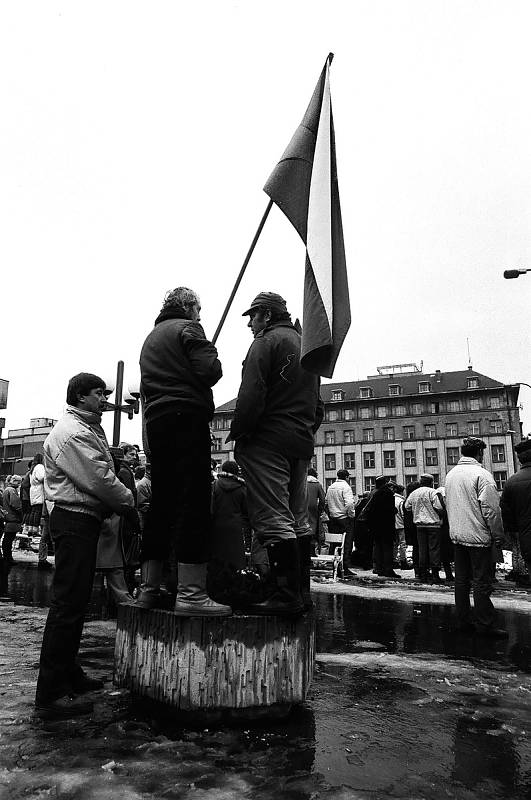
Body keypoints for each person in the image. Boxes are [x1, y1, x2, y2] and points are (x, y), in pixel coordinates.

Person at [35, 372, 138, 719]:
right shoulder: (74, 433)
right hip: (74, 517)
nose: (103, 399)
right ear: (80, 396)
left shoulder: (86, 426)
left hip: (82, 518)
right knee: (67, 604)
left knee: (76, 601)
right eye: (98, 394)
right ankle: (51, 691)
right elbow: (99, 478)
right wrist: (129, 500)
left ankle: (68, 672)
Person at [137, 286, 230, 616]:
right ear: (187, 306)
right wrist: (210, 352)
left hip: (158, 422)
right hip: (187, 417)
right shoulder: (189, 329)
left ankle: (148, 589)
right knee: (193, 501)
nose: (201, 314)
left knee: (162, 503)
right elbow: (210, 371)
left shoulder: (151, 339)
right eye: (198, 308)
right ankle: (191, 594)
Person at [229, 292, 323, 614]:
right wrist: (305, 431)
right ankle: (301, 594)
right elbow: (318, 405)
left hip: (268, 441)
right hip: (300, 442)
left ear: (266, 316)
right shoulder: (304, 343)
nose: (249, 324)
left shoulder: (265, 343)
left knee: (273, 517)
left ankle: (285, 596)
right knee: (297, 519)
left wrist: (240, 434)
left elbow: (251, 393)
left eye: (252, 316)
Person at [444, 437, 507, 637]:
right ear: (480, 453)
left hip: (457, 535)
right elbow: (491, 509)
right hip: (478, 536)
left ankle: (462, 621)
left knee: (461, 581)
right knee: (481, 581)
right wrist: (498, 535)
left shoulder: (451, 475)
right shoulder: (482, 475)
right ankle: (485, 624)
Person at [404, 474, 443, 583]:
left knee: (422, 549)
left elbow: (407, 506)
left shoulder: (414, 493)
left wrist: (416, 512)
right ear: (431, 482)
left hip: (419, 526)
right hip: (433, 525)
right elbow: (439, 507)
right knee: (434, 549)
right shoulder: (433, 492)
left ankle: (423, 573)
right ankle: (435, 575)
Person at [500, 438, 531, 575]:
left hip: (527, 538)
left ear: (519, 460)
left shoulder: (511, 482)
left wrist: (515, 531)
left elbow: (506, 514)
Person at [365, 476, 400, 578]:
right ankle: (388, 569)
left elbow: (371, 510)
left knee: (378, 547)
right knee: (387, 547)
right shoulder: (388, 493)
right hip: (386, 526)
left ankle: (379, 568)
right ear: (384, 483)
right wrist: (394, 511)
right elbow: (389, 510)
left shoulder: (375, 494)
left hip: (376, 527)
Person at [325, 469, 356, 575]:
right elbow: (349, 504)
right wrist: (351, 515)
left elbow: (326, 502)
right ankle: (344, 567)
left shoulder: (331, 487)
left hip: (333, 519)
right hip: (344, 519)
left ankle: (334, 566)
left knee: (334, 543)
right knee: (346, 543)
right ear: (346, 477)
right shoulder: (346, 487)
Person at [2, 475, 22, 564]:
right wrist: (21, 513)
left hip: (8, 517)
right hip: (12, 518)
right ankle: (8, 558)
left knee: (7, 539)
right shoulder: (12, 491)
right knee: (8, 539)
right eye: (18, 482)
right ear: (14, 481)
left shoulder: (7, 490)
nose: (19, 484)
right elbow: (16, 505)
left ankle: (7, 557)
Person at [307, 467, 326, 555]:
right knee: (312, 530)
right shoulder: (317, 484)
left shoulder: (301, 483)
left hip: (301, 509)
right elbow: (322, 499)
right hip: (313, 509)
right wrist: (320, 510)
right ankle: (311, 552)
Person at [393, 484, 408, 570]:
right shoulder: (401, 501)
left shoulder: (392, 499)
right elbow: (403, 514)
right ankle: (403, 561)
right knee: (402, 543)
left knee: (395, 543)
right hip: (401, 524)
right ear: (401, 492)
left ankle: (394, 560)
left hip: (393, 524)